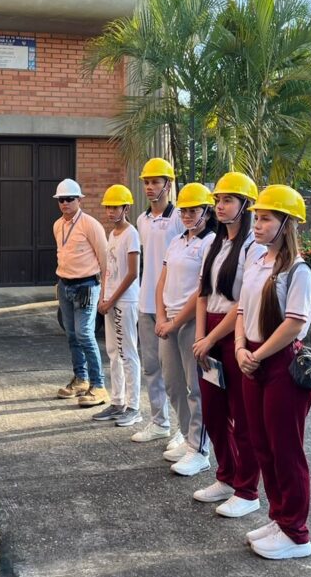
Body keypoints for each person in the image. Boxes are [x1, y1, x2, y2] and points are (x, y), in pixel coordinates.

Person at [234, 185, 311, 559]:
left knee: (286, 450)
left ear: (286, 224)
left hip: (281, 364)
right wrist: (240, 348)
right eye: (257, 217)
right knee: (261, 445)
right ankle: (279, 517)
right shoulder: (256, 262)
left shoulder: (298, 271)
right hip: (253, 359)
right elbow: (241, 312)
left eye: (266, 218)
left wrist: (257, 354)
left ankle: (297, 533)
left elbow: (294, 324)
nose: (258, 223)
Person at [190, 172, 262, 518]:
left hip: (236, 333)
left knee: (243, 416)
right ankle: (226, 476)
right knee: (213, 412)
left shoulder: (252, 247)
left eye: (228, 200)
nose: (219, 206)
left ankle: (248, 490)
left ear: (245, 205)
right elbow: (203, 294)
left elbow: (243, 303)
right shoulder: (215, 244)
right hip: (210, 335)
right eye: (218, 200)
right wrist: (201, 336)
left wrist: (212, 339)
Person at [157, 182, 217, 476]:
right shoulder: (178, 241)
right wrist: (160, 317)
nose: (187, 215)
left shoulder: (210, 243)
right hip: (168, 320)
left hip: (191, 321)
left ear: (207, 211)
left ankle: (199, 449)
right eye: (184, 210)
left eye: (193, 210)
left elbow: (202, 291)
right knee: (172, 383)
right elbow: (162, 280)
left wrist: (175, 321)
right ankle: (185, 435)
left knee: (196, 388)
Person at [130, 157, 186, 452]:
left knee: (177, 373)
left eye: (155, 182)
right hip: (146, 302)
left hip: (173, 307)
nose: (150, 188)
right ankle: (159, 422)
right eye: (146, 182)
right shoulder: (141, 220)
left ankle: (184, 430)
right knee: (151, 366)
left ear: (168, 184)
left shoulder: (179, 218)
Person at [52, 178, 110, 408]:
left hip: (86, 286)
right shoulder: (58, 225)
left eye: (69, 199)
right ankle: (81, 379)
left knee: (85, 334)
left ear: (79, 200)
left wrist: (104, 293)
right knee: (71, 335)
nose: (65, 203)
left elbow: (105, 260)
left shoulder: (90, 225)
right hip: (65, 284)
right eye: (61, 200)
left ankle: (99, 385)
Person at [93, 184, 142, 427]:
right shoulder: (112, 234)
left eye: (115, 207)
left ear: (126, 207)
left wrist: (112, 299)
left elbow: (133, 273)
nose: (111, 211)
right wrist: (103, 297)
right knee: (113, 352)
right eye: (108, 207)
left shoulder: (131, 233)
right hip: (110, 301)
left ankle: (134, 407)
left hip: (125, 300)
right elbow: (109, 271)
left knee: (127, 352)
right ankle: (117, 401)